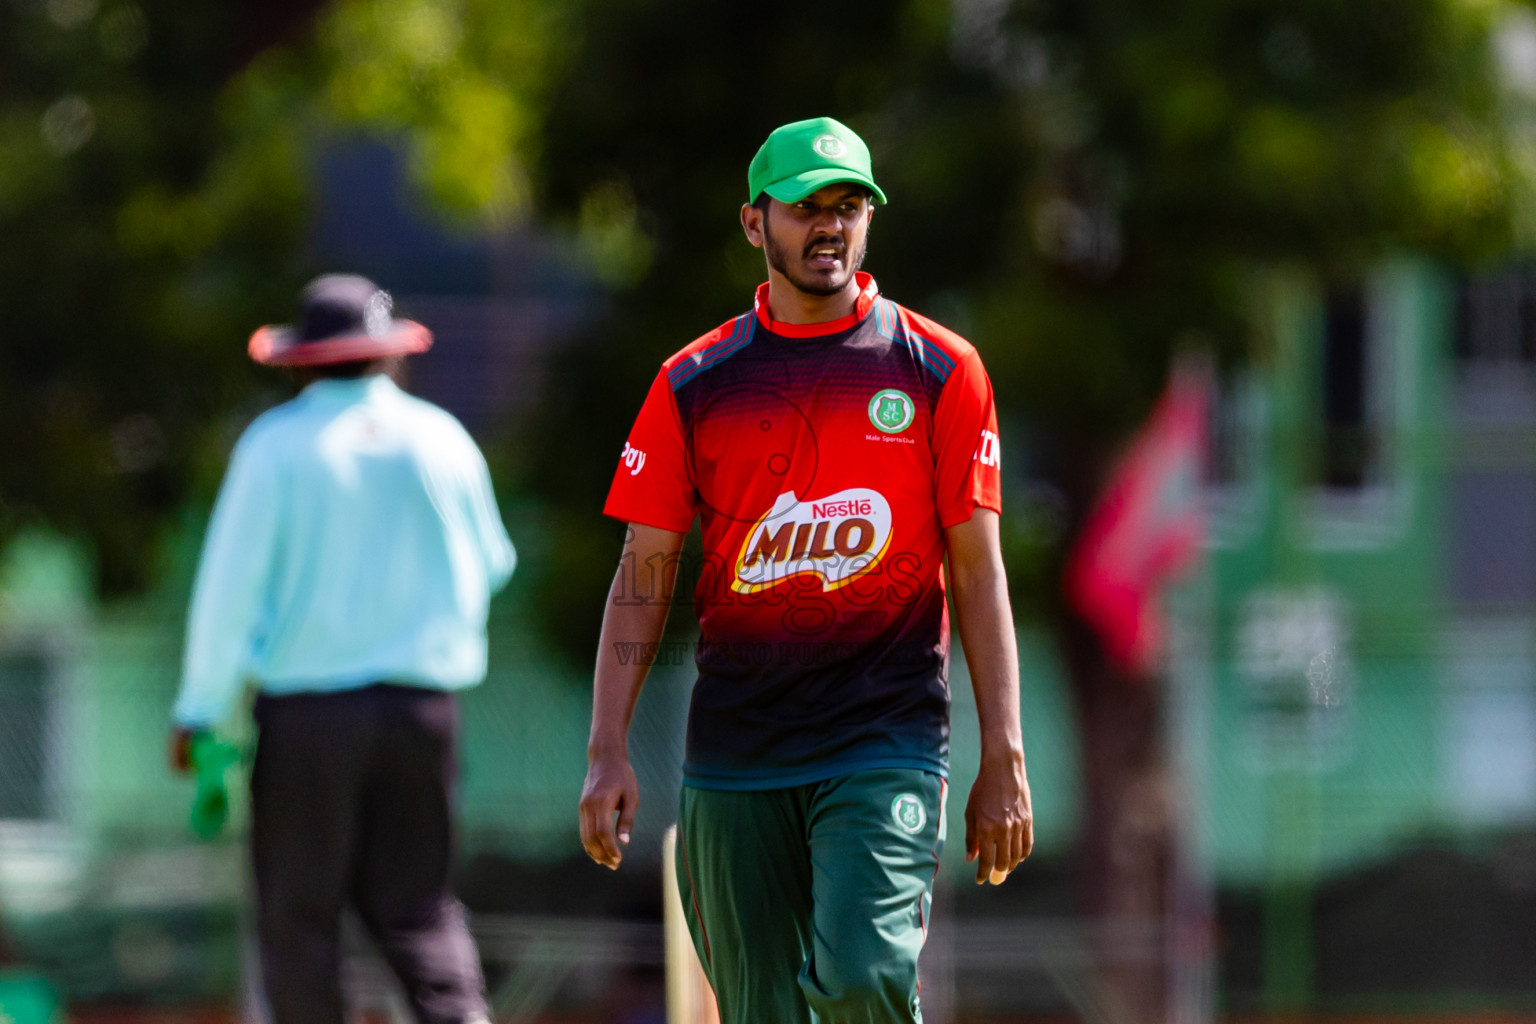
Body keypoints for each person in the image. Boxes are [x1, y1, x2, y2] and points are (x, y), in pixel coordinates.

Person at [578, 117, 1034, 1023]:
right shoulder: (693, 381)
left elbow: (980, 573)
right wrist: (605, 748)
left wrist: (1005, 754)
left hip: (885, 741)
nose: (830, 225)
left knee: (864, 977)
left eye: (850, 205)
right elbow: (643, 572)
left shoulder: (942, 369)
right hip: (736, 756)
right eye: (806, 207)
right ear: (756, 223)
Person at [168, 274, 516, 1024]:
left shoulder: (275, 446)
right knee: (420, 910)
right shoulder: (442, 438)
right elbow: (493, 563)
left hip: (309, 719)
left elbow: (229, 594)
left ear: (301, 362)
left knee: (300, 919)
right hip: (423, 712)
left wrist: (200, 712)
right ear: (388, 355)